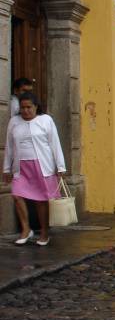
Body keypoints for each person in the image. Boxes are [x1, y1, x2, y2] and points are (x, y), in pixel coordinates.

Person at [2, 92, 66, 246]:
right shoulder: (14, 122)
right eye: (23, 108)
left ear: (36, 107)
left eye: (29, 107)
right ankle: (26, 229)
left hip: (42, 166)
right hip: (21, 167)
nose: (25, 111)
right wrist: (6, 168)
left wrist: (61, 166)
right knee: (17, 196)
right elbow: (9, 146)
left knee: (41, 200)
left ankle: (44, 232)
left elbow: (54, 143)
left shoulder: (46, 120)